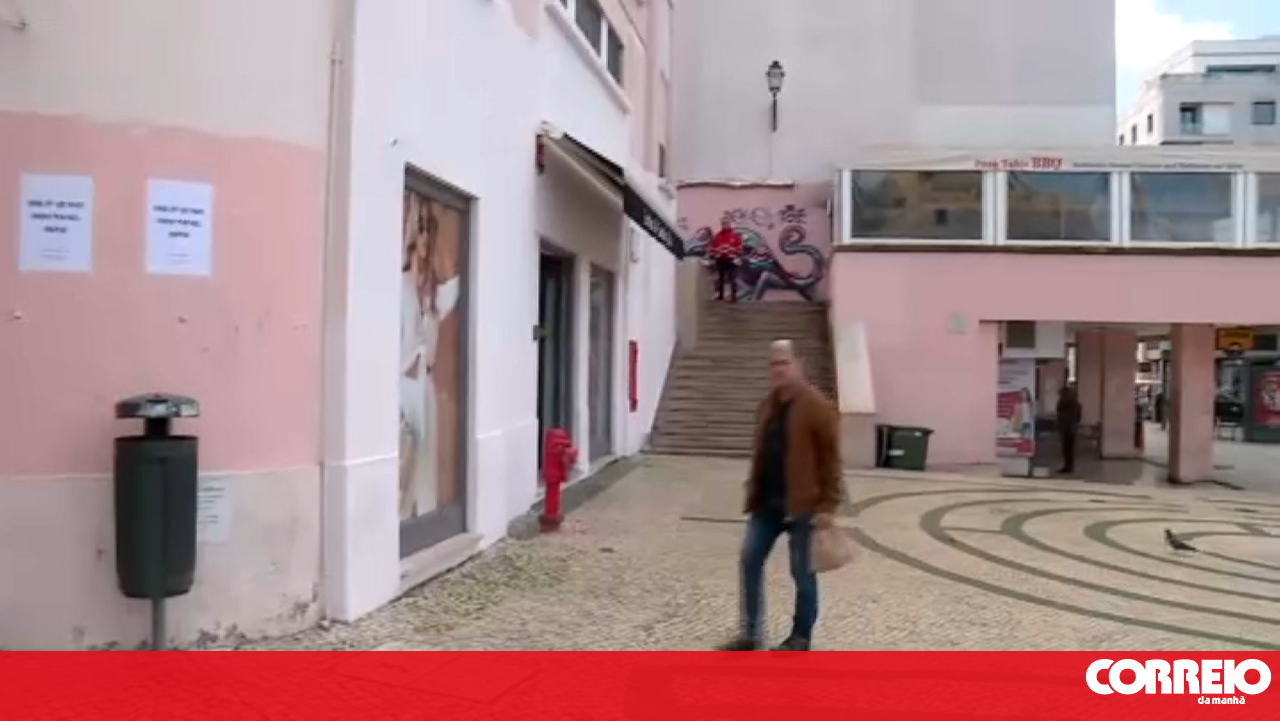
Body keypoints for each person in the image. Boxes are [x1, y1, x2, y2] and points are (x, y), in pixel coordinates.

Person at [718, 340, 842, 651]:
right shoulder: (768, 406)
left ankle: (800, 637)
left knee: (802, 573)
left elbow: (831, 460)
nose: (778, 370)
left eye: (784, 363)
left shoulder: (817, 407)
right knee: (749, 560)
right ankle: (750, 633)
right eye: (774, 364)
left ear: (798, 364)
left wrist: (828, 505)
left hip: (803, 505)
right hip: (766, 504)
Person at [399, 199, 461, 520]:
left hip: (425, 386)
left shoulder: (434, 293)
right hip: (401, 386)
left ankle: (423, 522)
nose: (424, 237)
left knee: (425, 470)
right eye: (420, 228)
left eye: (429, 230)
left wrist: (434, 245)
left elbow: (453, 286)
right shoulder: (401, 286)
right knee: (401, 469)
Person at [709, 218, 743, 302]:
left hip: (731, 260)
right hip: (720, 260)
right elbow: (712, 248)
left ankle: (733, 297)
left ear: (729, 224)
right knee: (720, 279)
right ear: (721, 225)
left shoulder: (735, 236)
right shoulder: (717, 236)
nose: (725, 225)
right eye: (723, 223)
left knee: (732, 278)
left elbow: (740, 248)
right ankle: (721, 296)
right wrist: (716, 253)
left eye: (726, 223)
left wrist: (732, 251)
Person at [1056, 383, 1082, 475]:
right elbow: (1078, 417)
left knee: (1067, 448)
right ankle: (1069, 466)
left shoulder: (1064, 402)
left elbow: (1059, 411)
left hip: (1067, 427)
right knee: (1069, 448)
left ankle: (1068, 466)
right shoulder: (1076, 403)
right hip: (1071, 427)